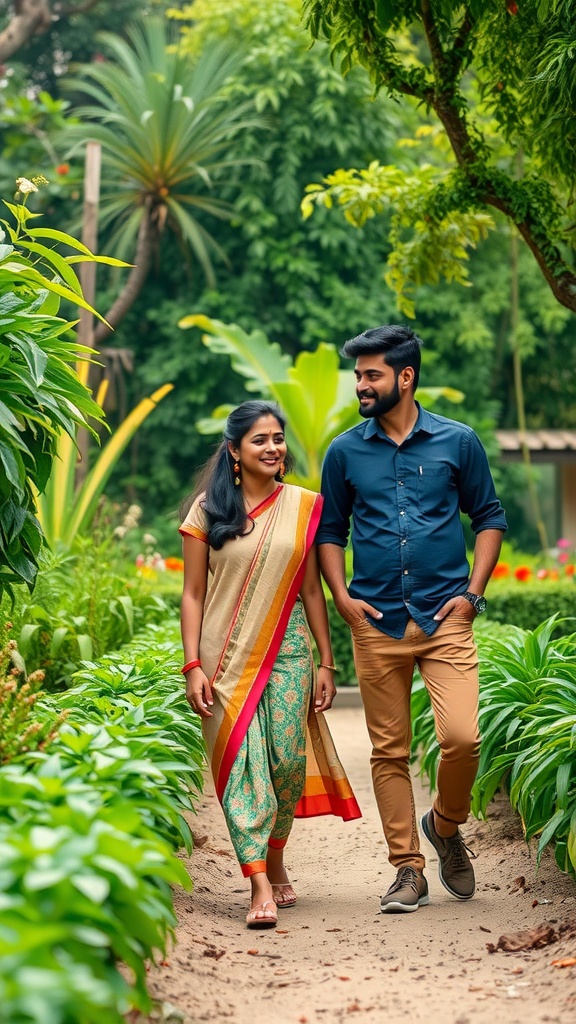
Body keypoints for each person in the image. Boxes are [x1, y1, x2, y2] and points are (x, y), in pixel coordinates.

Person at [316, 325, 507, 914]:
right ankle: (407, 869)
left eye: (372, 375)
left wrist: (473, 595)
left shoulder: (459, 441)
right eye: (358, 375)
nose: (361, 385)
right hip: (376, 621)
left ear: (405, 376)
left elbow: (490, 518)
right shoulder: (345, 451)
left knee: (461, 738)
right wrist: (343, 599)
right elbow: (329, 532)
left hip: (446, 616)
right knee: (388, 751)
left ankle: (445, 825)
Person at [179, 400, 361, 929]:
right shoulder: (207, 513)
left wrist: (327, 661)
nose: (273, 447)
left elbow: (310, 589)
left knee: (284, 761)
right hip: (223, 658)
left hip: (287, 654)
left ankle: (275, 853)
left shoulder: (304, 506)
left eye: (277, 438)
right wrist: (192, 664)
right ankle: (257, 877)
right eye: (260, 439)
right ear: (234, 451)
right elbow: (192, 594)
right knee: (242, 766)